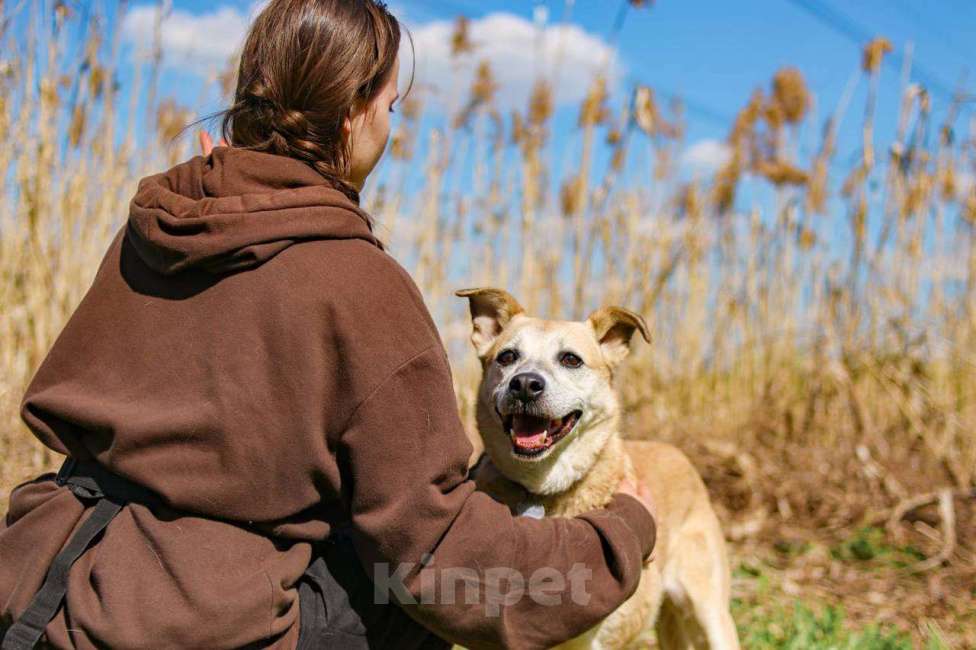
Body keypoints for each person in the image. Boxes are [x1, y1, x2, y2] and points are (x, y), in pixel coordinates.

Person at [0, 1, 656, 648]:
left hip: (47, 581)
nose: (390, 128)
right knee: (401, 603)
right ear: (351, 115)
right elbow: (441, 560)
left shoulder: (155, 228)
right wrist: (622, 533)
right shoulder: (358, 283)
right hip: (197, 620)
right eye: (391, 107)